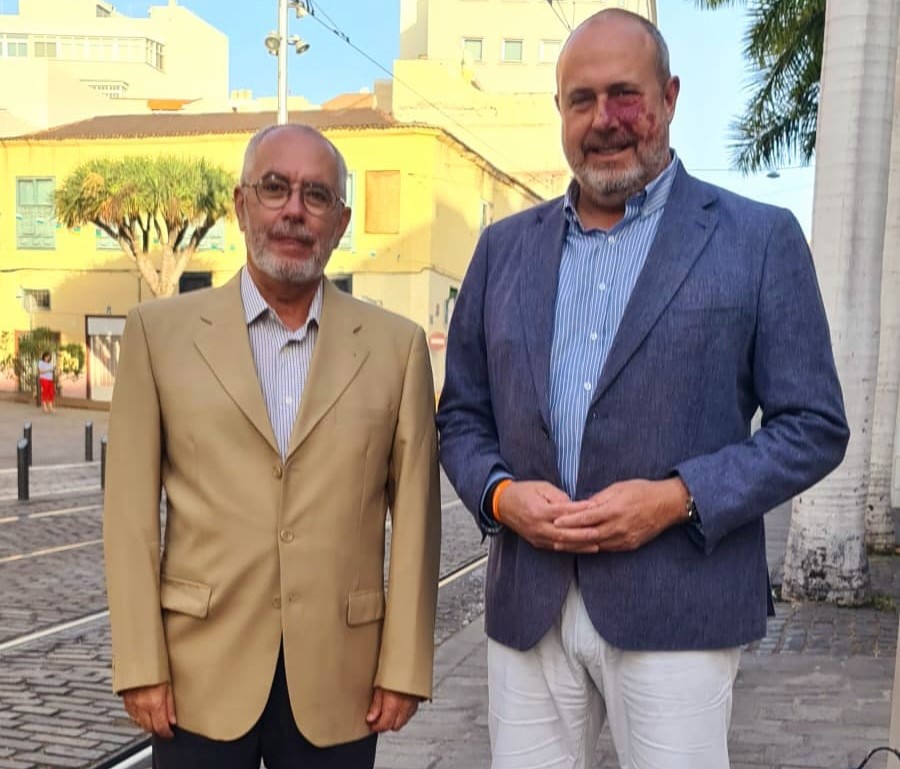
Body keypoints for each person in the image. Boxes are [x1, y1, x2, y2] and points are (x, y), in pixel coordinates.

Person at [436, 9, 849, 769]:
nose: (604, 120)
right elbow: (461, 415)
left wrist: (676, 497)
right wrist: (499, 496)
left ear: (669, 96)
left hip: (679, 600)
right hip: (528, 602)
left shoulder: (758, 239)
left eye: (624, 95)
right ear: (559, 111)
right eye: (581, 99)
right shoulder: (502, 250)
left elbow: (813, 424)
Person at [103, 123, 441, 769]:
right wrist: (139, 662)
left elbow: (418, 519)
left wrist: (404, 664)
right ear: (240, 204)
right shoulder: (157, 333)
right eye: (275, 188)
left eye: (316, 195)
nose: (293, 209)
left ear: (340, 221)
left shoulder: (396, 347)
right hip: (196, 672)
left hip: (341, 677)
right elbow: (128, 517)